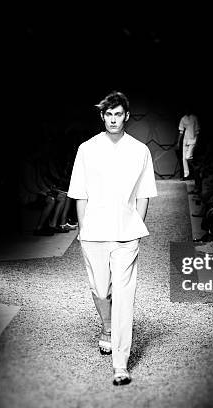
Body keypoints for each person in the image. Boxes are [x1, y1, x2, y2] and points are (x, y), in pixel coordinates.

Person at [67, 91, 157, 386]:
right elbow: (79, 193)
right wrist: (83, 230)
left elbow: (144, 193)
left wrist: (135, 225)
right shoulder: (87, 149)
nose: (114, 119)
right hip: (93, 233)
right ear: (102, 116)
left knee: (123, 297)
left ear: (126, 116)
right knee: (100, 289)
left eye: (119, 114)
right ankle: (106, 327)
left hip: (125, 236)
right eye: (109, 114)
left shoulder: (140, 150)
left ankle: (121, 363)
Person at [178, 107, 201, 180]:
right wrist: (178, 142)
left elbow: (197, 130)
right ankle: (186, 175)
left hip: (193, 139)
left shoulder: (194, 118)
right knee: (184, 158)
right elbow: (181, 131)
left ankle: (196, 170)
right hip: (185, 139)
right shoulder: (183, 118)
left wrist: (197, 141)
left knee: (188, 157)